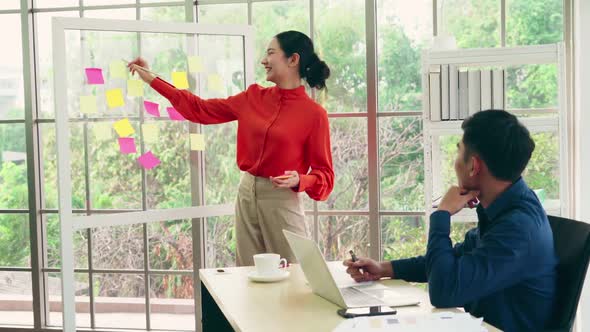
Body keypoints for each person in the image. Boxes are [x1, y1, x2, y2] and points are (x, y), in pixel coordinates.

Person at [129, 30, 334, 267]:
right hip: (247, 193)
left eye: (270, 53)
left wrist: (301, 180)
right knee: (249, 272)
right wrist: (150, 78)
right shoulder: (252, 98)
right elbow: (200, 109)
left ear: (293, 59)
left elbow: (325, 178)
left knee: (296, 272)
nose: (263, 60)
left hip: (282, 198)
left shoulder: (314, 115)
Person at [343, 110, 557, 332]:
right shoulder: (508, 206)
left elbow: (443, 291)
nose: (455, 163)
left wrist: (442, 214)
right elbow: (453, 261)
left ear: (474, 166)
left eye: (458, 152)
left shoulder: (518, 228)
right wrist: (384, 268)